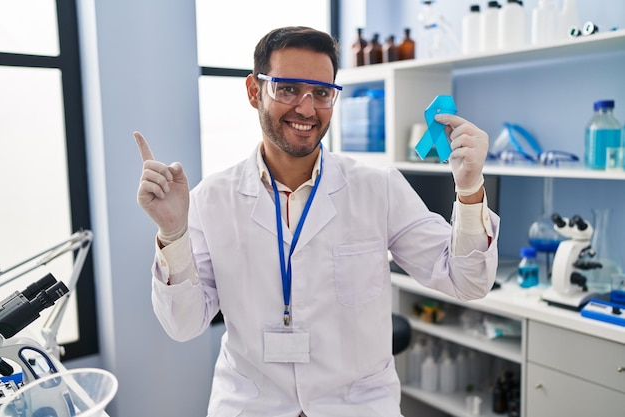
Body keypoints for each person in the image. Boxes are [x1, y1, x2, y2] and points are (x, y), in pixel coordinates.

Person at [135, 26, 499, 417]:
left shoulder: (378, 188)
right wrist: (173, 233)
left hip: (356, 407)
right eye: (288, 88)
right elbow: (184, 325)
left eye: (322, 93)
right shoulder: (211, 199)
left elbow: (468, 281)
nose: (307, 109)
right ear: (254, 92)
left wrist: (470, 190)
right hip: (254, 406)